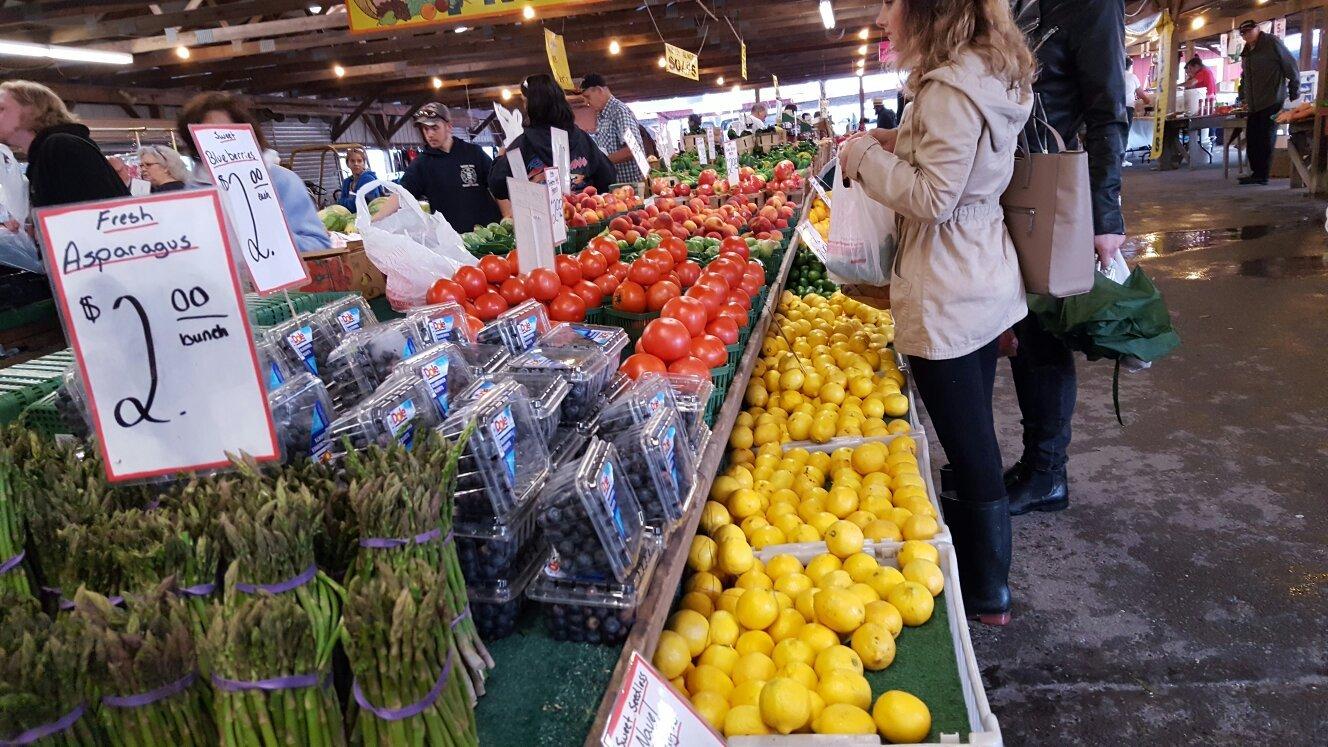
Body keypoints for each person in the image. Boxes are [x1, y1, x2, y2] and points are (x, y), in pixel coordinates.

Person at [837, 0, 1035, 626]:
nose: (882, 17)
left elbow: (933, 197)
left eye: (890, 4)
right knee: (975, 428)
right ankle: (987, 578)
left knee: (971, 446)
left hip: (946, 284)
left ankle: (986, 593)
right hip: (983, 273)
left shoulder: (949, 87)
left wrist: (864, 158)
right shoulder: (985, 69)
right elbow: (964, 161)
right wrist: (903, 140)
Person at [1001, 0, 1127, 516]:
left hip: (1052, 187)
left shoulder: (1091, 5)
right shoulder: (1017, 4)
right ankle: (1037, 463)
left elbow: (1108, 111)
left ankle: (1048, 472)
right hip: (1012, 185)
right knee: (1025, 332)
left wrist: (1104, 218)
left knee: (1044, 333)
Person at [176, 92, 331, 252]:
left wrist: (264, 235)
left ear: (246, 133)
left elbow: (319, 244)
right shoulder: (194, 188)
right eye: (204, 135)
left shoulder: (281, 180)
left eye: (224, 132)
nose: (217, 140)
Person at [373, 102, 501, 233]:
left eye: (434, 128)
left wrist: (508, 215)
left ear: (449, 126)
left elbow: (497, 185)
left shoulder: (474, 153)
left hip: (491, 235)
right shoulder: (421, 165)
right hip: (454, 240)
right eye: (425, 129)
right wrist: (373, 221)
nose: (429, 134)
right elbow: (400, 195)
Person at [488, 74, 616, 205]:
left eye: (525, 101)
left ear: (531, 105)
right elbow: (607, 177)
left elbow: (498, 186)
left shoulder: (522, 144)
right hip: (582, 217)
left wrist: (500, 158)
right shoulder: (582, 139)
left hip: (540, 220)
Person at [0, 81, 127, 210]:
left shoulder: (61, 147)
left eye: (1, 108)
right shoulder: (45, 155)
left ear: (32, 111)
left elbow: (96, 216)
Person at [1237, 19, 1300, 185]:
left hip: (1271, 99)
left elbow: (1290, 64)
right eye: (1243, 33)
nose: (1246, 35)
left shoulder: (1271, 42)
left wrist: (1294, 88)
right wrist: (1242, 94)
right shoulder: (1247, 50)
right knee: (1252, 138)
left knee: (1265, 137)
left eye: (1249, 31)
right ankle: (1255, 172)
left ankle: (1262, 175)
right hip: (1254, 103)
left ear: (1258, 29)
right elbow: (1245, 75)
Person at [580, 73, 646, 185]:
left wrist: (601, 162)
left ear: (599, 90)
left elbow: (634, 149)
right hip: (617, 186)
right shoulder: (601, 116)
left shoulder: (619, 111)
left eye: (588, 97)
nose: (587, 103)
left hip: (631, 186)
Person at [335, 147, 383, 211]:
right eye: (352, 161)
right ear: (347, 164)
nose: (356, 164)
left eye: (359, 161)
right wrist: (348, 202)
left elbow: (363, 204)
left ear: (364, 164)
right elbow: (342, 206)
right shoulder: (347, 182)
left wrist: (343, 202)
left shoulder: (368, 179)